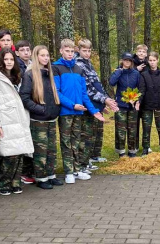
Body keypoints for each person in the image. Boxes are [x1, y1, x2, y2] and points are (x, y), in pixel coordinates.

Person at [53, 39, 105, 184]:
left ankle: (77, 169)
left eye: (71, 51)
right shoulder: (56, 68)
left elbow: (84, 94)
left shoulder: (78, 69)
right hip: (66, 112)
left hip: (79, 112)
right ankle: (69, 171)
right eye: (67, 51)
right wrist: (72, 105)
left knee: (77, 141)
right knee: (66, 142)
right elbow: (57, 92)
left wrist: (94, 111)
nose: (69, 54)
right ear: (61, 51)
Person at [0, 48, 34, 195]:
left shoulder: (17, 77)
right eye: (6, 59)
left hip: (19, 119)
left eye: (11, 59)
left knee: (19, 153)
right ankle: (4, 183)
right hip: (6, 121)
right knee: (8, 155)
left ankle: (16, 182)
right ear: (1, 61)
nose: (9, 62)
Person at [19, 45, 62, 190]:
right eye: (42, 55)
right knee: (40, 151)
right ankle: (41, 177)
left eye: (47, 55)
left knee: (51, 150)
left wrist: (55, 108)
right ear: (36, 57)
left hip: (51, 117)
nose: (45, 58)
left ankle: (50, 174)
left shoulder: (49, 73)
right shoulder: (30, 74)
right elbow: (24, 97)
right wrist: (39, 109)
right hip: (39, 120)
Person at [75, 39, 119, 170]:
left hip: (95, 105)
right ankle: (83, 162)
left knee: (93, 134)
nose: (87, 53)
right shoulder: (78, 65)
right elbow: (88, 89)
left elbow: (97, 85)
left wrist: (103, 101)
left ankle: (89, 158)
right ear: (79, 50)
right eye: (84, 51)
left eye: (89, 51)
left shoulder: (89, 64)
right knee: (86, 135)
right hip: (86, 106)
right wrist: (105, 100)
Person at [138, 51, 160, 156]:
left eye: (154, 60)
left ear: (157, 60)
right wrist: (138, 101)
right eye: (150, 60)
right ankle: (145, 147)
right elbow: (142, 90)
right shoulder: (144, 75)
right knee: (146, 127)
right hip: (147, 105)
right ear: (148, 61)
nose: (152, 62)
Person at [110, 52, 141, 157]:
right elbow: (111, 82)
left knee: (132, 129)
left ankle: (132, 151)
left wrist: (137, 100)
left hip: (132, 105)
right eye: (125, 60)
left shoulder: (136, 73)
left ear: (132, 62)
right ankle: (121, 151)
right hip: (120, 105)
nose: (127, 62)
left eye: (129, 60)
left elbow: (140, 88)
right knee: (120, 129)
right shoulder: (118, 72)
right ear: (122, 60)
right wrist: (119, 72)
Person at [14, 40, 36, 185]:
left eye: (28, 50)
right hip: (22, 105)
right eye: (22, 50)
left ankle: (30, 170)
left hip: (33, 105)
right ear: (17, 52)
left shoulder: (34, 64)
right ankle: (23, 171)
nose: (26, 52)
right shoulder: (17, 67)